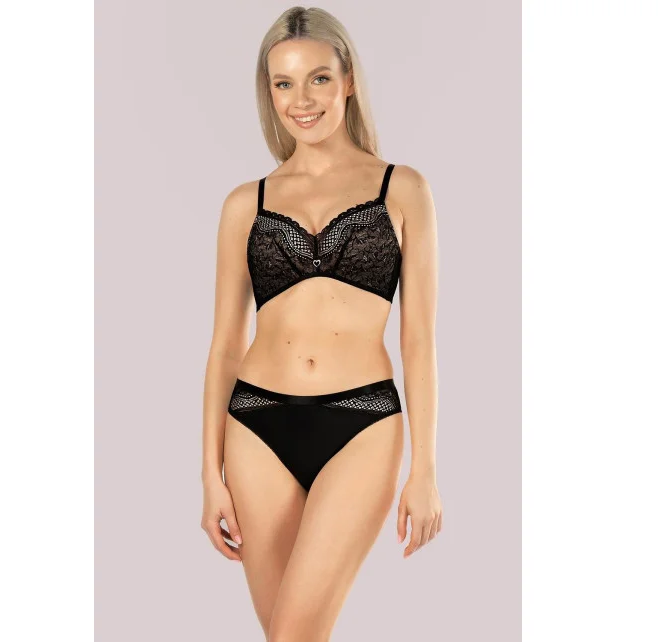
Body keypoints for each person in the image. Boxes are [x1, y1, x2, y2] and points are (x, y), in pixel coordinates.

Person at [201, 6, 441, 640]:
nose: (301, 100)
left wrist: (424, 469)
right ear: (269, 92)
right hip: (255, 425)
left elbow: (418, 340)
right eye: (283, 83)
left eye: (318, 79)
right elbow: (224, 346)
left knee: (294, 633)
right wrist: (208, 475)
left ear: (349, 80)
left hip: (361, 422)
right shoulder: (245, 203)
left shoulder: (402, 189)